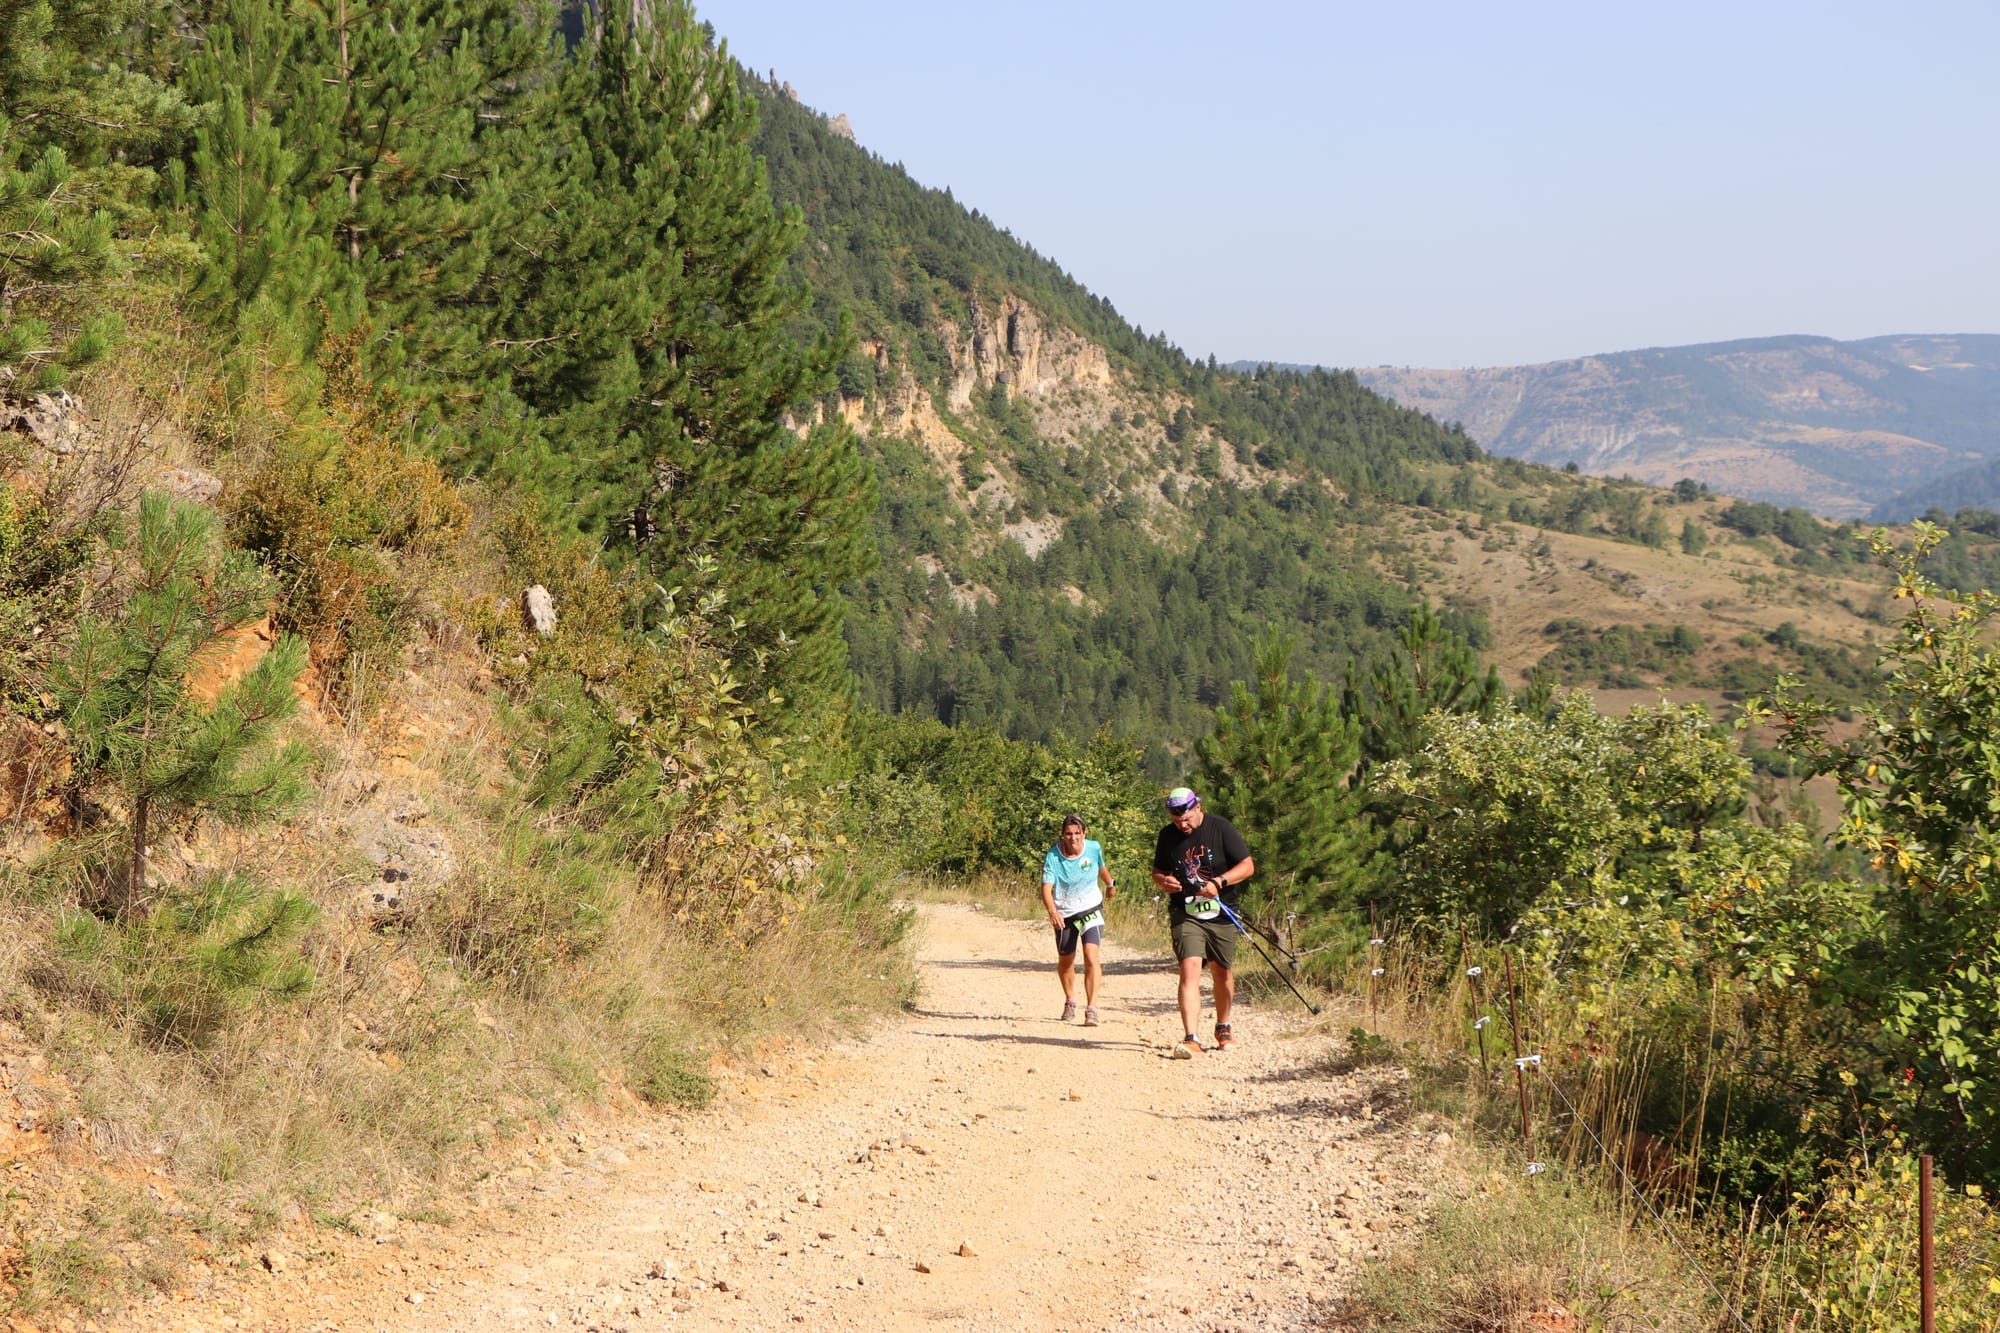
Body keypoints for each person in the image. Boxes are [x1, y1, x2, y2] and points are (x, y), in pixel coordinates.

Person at [1150, 786, 1254, 1058]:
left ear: (1198, 807)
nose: (1182, 825)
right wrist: (1164, 881)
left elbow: (1247, 865)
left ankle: (1223, 1026)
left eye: (1186, 819)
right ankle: (1191, 1038)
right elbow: (1158, 871)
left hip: (1221, 911)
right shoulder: (1167, 836)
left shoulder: (1221, 828)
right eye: (1176, 821)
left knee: (1222, 970)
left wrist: (1220, 882)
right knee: (1190, 968)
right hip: (1186, 912)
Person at [1041, 814, 1116, 1026]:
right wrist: (1053, 912)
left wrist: (1110, 884)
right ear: (1062, 834)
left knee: (1092, 956)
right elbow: (1046, 887)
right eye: (1068, 833)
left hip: (1091, 907)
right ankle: (1070, 999)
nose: (1073, 838)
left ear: (1084, 833)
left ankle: (1092, 1008)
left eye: (1077, 833)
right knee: (1066, 961)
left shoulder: (1093, 847)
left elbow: (1100, 866)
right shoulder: (1053, 856)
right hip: (1065, 912)